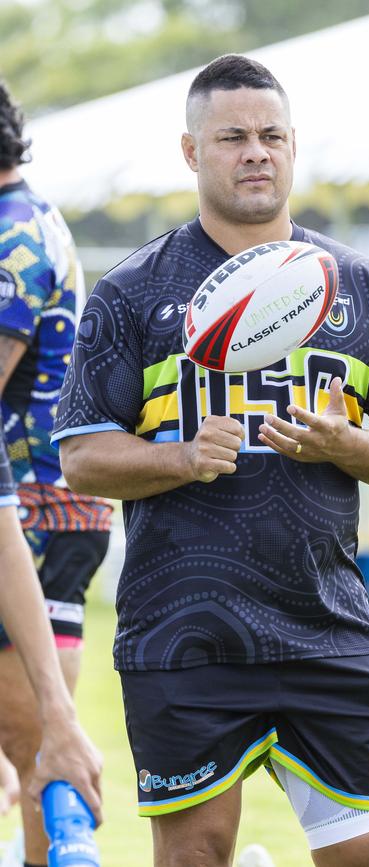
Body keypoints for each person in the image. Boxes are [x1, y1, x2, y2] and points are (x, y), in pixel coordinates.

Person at [51, 54, 369, 867]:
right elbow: (84, 457)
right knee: (197, 854)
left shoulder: (366, 289)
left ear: (294, 146)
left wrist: (352, 445)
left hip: (326, 627)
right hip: (184, 633)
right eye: (232, 136)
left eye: (271, 135)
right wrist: (183, 457)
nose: (255, 152)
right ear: (193, 153)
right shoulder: (131, 295)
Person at [0, 80, 112, 866]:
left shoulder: (15, 236)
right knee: (30, 735)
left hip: (36, 511)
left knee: (35, 733)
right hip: (40, 505)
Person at [0, 427, 103, 833]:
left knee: (40, 745)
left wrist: (61, 717)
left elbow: (6, 548)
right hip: (39, 497)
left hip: (60, 519)